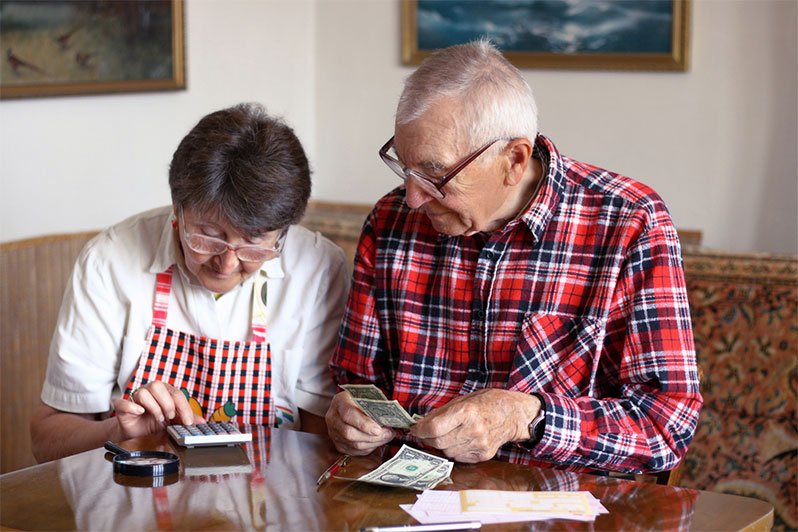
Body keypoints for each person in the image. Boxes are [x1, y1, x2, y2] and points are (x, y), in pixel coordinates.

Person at [326, 40, 702, 474]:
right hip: (401, 493)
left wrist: (525, 417)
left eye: (434, 174)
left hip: (549, 499)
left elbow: (666, 426)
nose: (412, 198)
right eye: (405, 168)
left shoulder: (629, 223)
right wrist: (347, 416)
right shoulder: (390, 220)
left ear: (514, 160)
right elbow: (355, 381)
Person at [31, 103, 349, 462]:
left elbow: (320, 438)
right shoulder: (110, 260)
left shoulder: (317, 269)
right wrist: (118, 432)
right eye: (208, 236)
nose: (227, 264)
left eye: (254, 243)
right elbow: (46, 439)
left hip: (269, 493)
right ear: (177, 209)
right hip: (139, 490)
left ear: (284, 230)